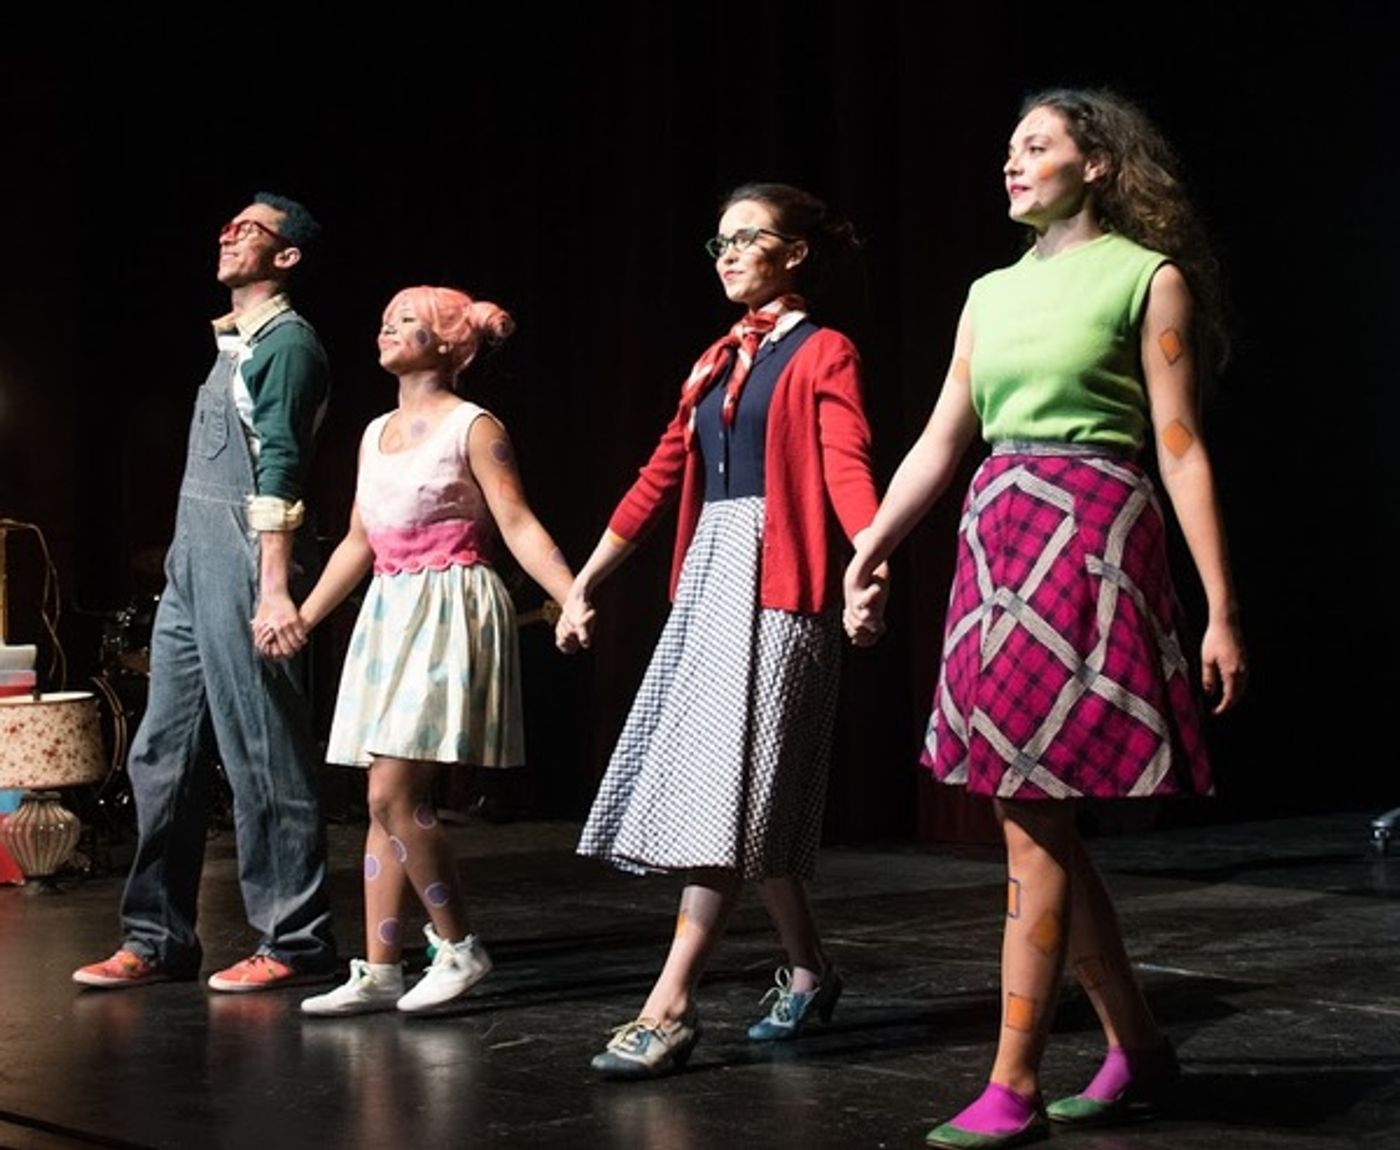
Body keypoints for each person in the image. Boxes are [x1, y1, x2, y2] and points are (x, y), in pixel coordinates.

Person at [843, 88, 1248, 1148]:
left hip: (1091, 538)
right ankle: (1141, 1049)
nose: (1012, 164)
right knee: (1038, 819)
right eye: (1007, 148)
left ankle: (1012, 1079)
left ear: (1098, 164)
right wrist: (870, 547)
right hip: (996, 538)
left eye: (1036, 145)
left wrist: (1220, 607)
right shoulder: (986, 292)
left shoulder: (1142, 279)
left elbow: (1178, 445)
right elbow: (942, 435)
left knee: (1032, 819)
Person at [556, 182, 886, 1078]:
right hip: (712, 578)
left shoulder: (825, 352)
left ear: (796, 254)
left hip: (782, 584)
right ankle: (810, 971)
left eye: (750, 239)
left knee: (734, 796)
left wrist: (869, 560)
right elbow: (659, 475)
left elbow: (846, 465)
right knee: (746, 797)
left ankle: (669, 1006)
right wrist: (587, 577)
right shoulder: (712, 361)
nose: (730, 254)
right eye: (721, 242)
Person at [291, 285, 583, 1015]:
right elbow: (360, 543)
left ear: (451, 343)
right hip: (391, 608)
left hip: (449, 602)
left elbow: (516, 522)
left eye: (409, 319)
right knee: (380, 800)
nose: (388, 326)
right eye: (386, 316)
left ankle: (458, 946)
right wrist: (301, 616)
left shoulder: (474, 427)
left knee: (394, 793)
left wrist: (571, 592)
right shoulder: (372, 433)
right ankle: (380, 967)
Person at [74, 193, 338, 992]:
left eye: (250, 228)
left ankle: (295, 940)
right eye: (227, 222)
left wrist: (272, 590)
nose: (228, 232)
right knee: (162, 753)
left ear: (286, 257)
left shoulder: (287, 346)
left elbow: (282, 472)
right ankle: (156, 936)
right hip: (194, 563)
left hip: (248, 558)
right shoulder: (233, 345)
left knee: (262, 747)